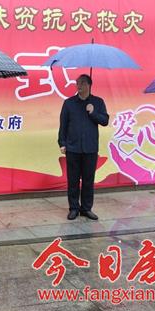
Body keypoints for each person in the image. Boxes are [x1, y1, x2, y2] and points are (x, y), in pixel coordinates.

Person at [58, 74, 109, 221]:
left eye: (82, 83)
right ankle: (74, 208)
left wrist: (93, 112)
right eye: (77, 83)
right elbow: (63, 125)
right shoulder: (69, 103)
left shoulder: (98, 102)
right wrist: (62, 143)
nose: (78, 85)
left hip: (90, 148)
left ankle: (86, 208)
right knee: (73, 180)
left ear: (89, 85)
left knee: (88, 180)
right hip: (72, 148)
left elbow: (105, 121)